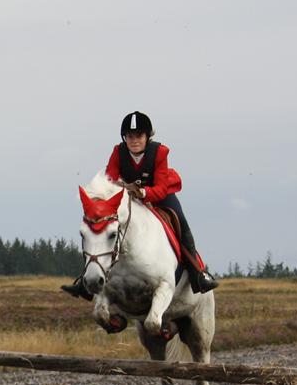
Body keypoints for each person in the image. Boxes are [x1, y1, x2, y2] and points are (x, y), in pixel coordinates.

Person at [63, 111, 219, 300]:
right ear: (124, 138)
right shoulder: (118, 152)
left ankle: (198, 273)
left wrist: (144, 193)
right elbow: (109, 179)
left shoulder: (160, 152)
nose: (134, 140)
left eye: (139, 136)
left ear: (147, 137)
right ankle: (85, 279)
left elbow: (161, 187)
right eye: (130, 136)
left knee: (181, 221)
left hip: (159, 196)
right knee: (101, 228)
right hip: (127, 197)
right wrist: (121, 187)